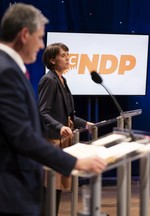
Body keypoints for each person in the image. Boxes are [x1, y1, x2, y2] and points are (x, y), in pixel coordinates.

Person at [0, 3, 107, 215]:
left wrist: (82, 123)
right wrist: (76, 162)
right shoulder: (6, 72)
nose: (41, 46)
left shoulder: (10, 69)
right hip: (11, 190)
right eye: (39, 38)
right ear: (24, 35)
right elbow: (23, 136)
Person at [38, 42, 95, 215]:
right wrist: (59, 126)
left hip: (63, 140)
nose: (68, 58)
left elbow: (68, 116)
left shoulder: (62, 80)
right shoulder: (48, 80)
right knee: (49, 187)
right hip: (51, 140)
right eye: (63, 55)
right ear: (52, 60)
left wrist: (85, 123)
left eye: (67, 54)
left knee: (56, 187)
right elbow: (42, 112)